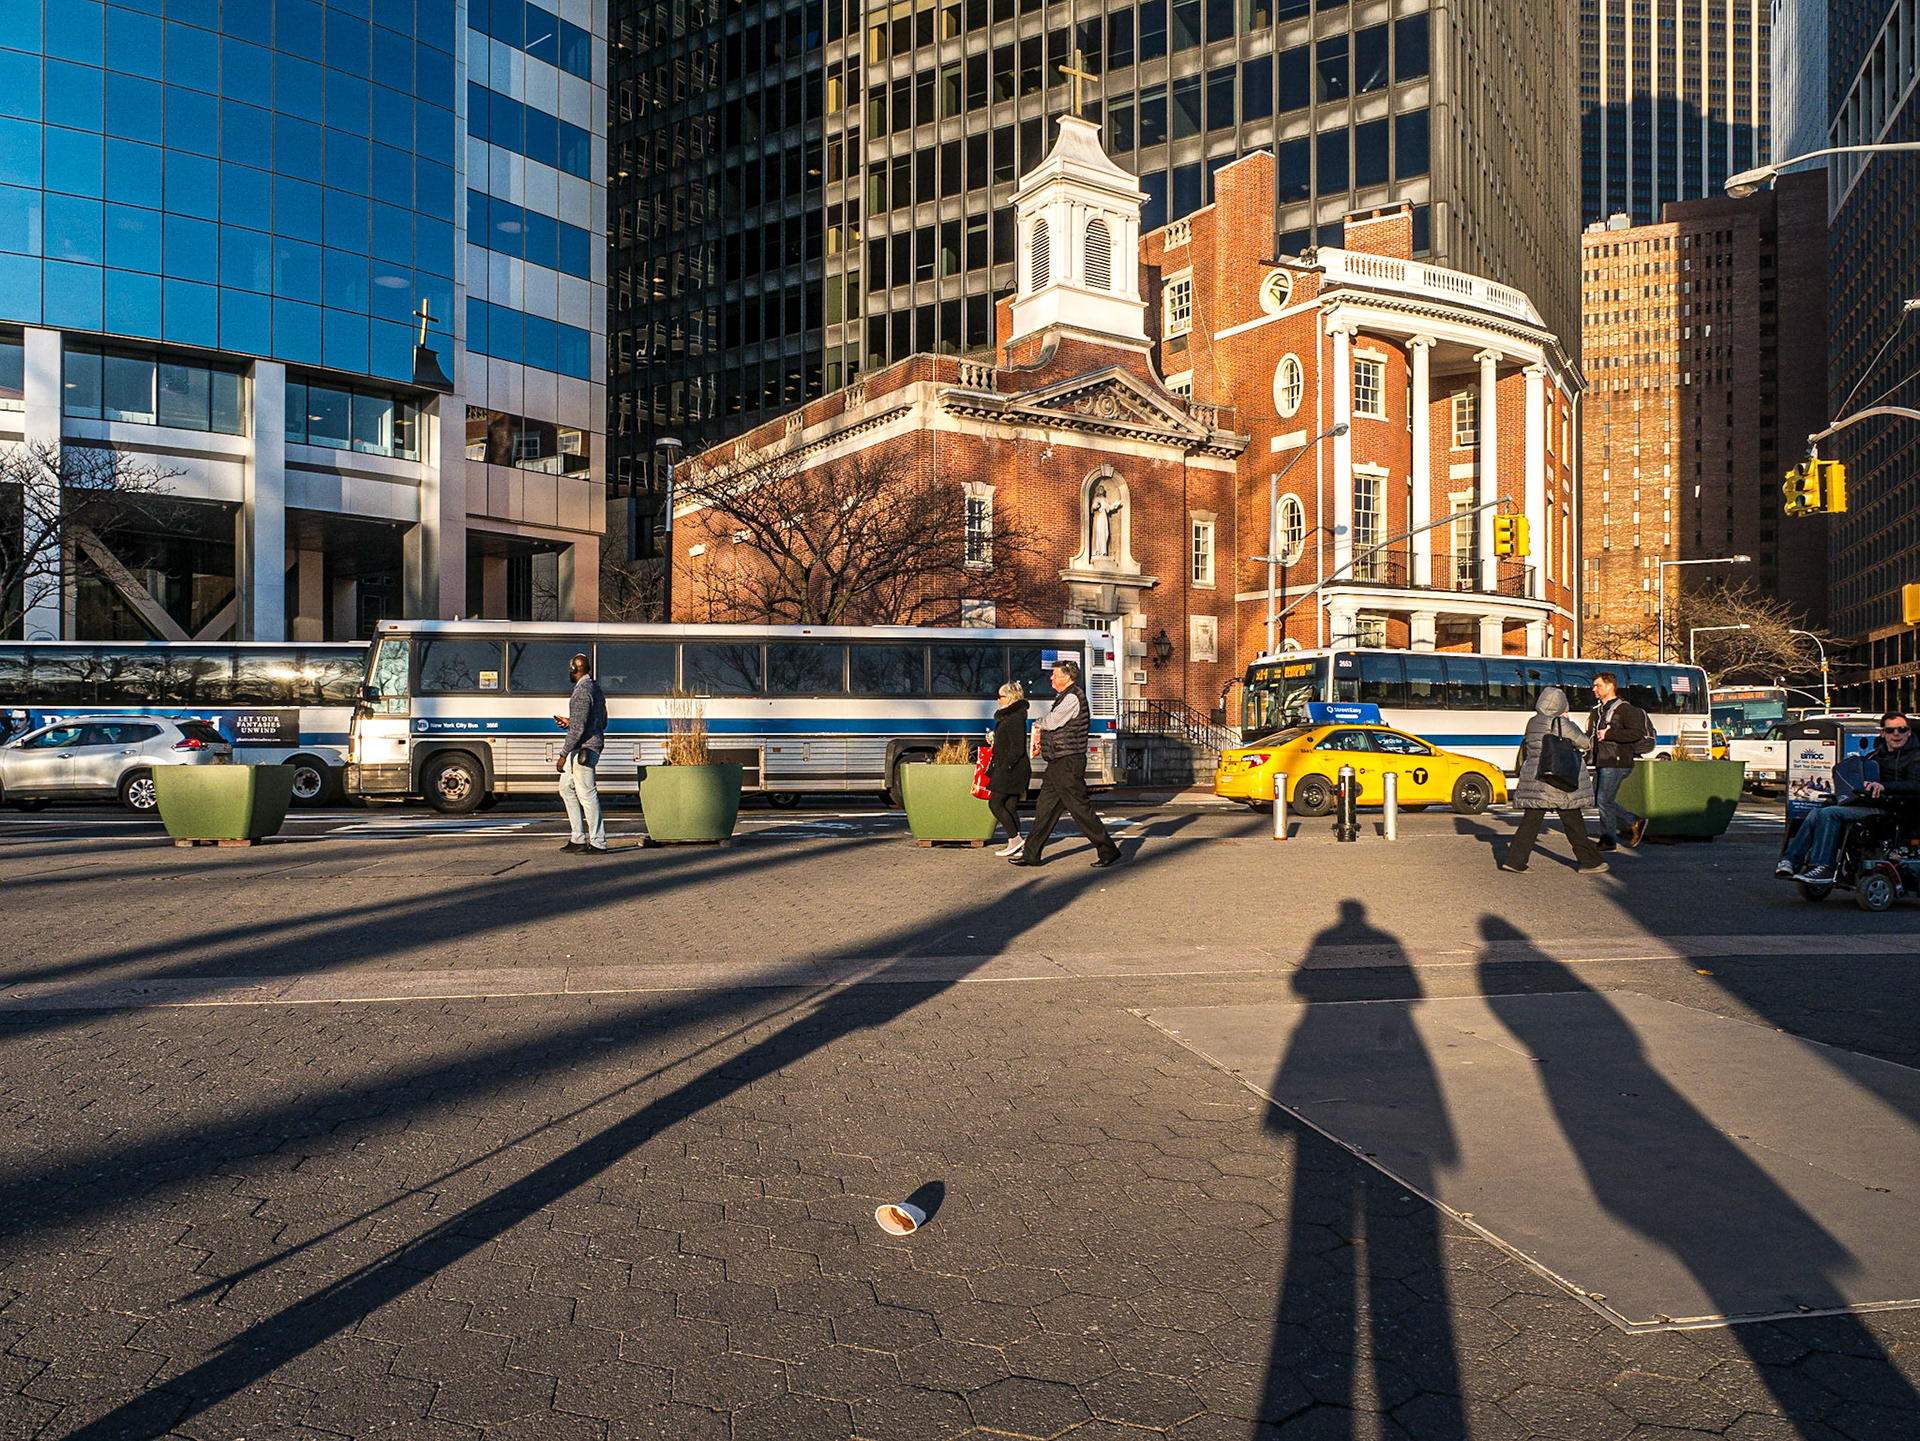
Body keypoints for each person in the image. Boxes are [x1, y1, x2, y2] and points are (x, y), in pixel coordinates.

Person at [1777, 711, 1920, 884]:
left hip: (1894, 809)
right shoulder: (1874, 756)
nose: (1896, 734)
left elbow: (1916, 785)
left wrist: (1884, 787)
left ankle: (1824, 867)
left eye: (1901, 729)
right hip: (1869, 804)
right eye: (1891, 731)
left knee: (1830, 814)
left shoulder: (1915, 757)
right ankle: (1790, 861)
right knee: (1817, 812)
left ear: (1909, 732)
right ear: (1882, 733)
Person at [1009, 659, 1121, 869]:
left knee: (1079, 808)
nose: (1051, 677)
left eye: (1055, 674)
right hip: (1058, 761)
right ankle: (1031, 854)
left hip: (1068, 761)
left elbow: (1052, 722)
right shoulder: (1065, 697)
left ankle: (1108, 850)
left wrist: (1037, 722)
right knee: (1045, 808)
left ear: (1066, 677)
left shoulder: (1072, 698)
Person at [1501, 686, 1608, 874]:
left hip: (1537, 779)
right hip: (1559, 779)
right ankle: (1588, 861)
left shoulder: (1533, 722)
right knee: (1574, 822)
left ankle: (1515, 861)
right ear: (1561, 706)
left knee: (1530, 823)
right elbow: (1584, 742)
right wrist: (1568, 722)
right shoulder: (1560, 723)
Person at [1588, 670, 1651, 850]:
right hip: (1603, 759)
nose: (1594, 689)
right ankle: (1633, 821)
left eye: (1598, 686)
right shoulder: (1601, 710)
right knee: (1596, 798)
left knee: (1604, 800)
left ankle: (1609, 840)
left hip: (1616, 761)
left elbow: (1637, 733)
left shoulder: (1625, 709)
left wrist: (1609, 734)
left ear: (1610, 686)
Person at [552, 651, 608, 854]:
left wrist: (563, 754)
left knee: (587, 794)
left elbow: (578, 729)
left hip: (584, 749)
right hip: (586, 745)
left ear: (574, 669)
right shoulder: (595, 688)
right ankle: (578, 838)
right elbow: (601, 721)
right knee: (566, 788)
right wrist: (570, 722)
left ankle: (598, 841)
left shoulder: (582, 691)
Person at [985, 681, 1032, 858]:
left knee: (995, 803)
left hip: (1012, 769)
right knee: (1010, 805)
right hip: (1014, 768)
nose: (998, 700)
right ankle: (1018, 844)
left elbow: (1017, 747)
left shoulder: (1014, 718)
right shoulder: (1012, 716)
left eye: (1001, 696)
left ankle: (1015, 839)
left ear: (1010, 698)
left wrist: (1005, 766)